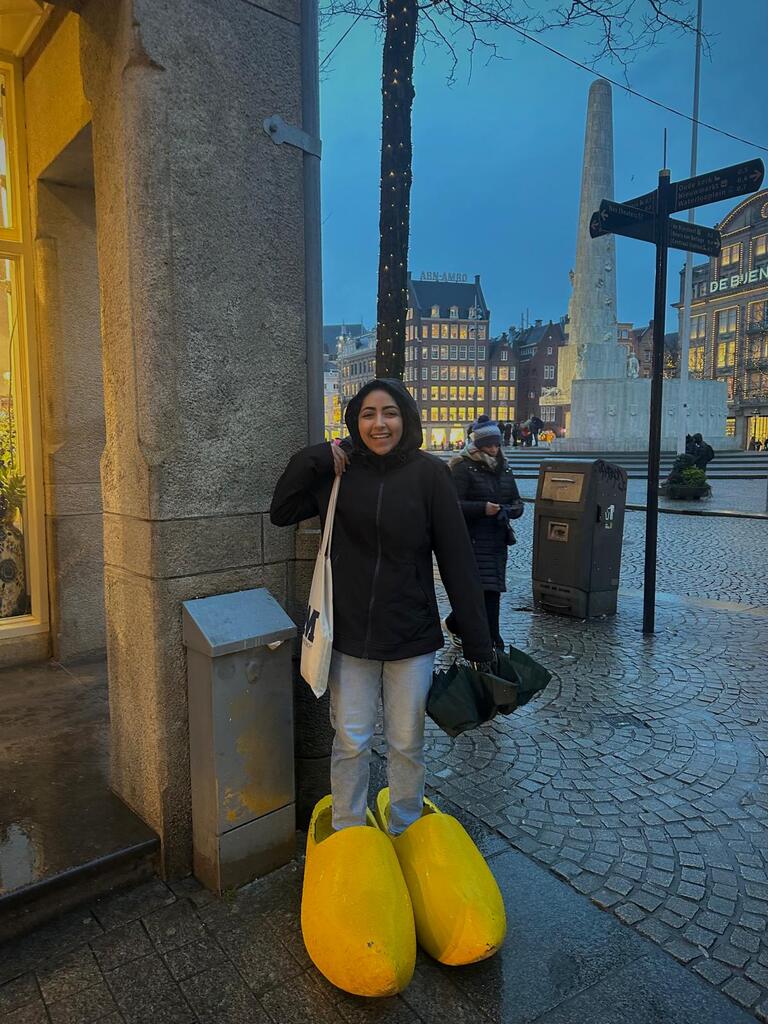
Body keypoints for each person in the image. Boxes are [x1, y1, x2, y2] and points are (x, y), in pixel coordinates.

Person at [270, 379, 493, 835]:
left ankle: (404, 827)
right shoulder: (339, 472)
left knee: (407, 742)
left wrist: (478, 637)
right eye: (368, 413)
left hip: (411, 635)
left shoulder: (431, 475)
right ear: (355, 420)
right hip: (349, 635)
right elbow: (282, 510)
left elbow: (456, 559)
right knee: (350, 740)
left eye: (389, 412)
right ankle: (349, 827)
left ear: (405, 417)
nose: (379, 423)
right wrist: (318, 454)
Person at [444, 418, 523, 651]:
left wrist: (513, 509)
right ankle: (487, 639)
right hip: (472, 539)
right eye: (490, 445)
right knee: (477, 592)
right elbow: (451, 505)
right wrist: (481, 509)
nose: (494, 450)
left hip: (497, 540)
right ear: (478, 445)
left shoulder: (504, 468)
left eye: (497, 445)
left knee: (493, 589)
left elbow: (516, 499)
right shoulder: (462, 468)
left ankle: (489, 637)